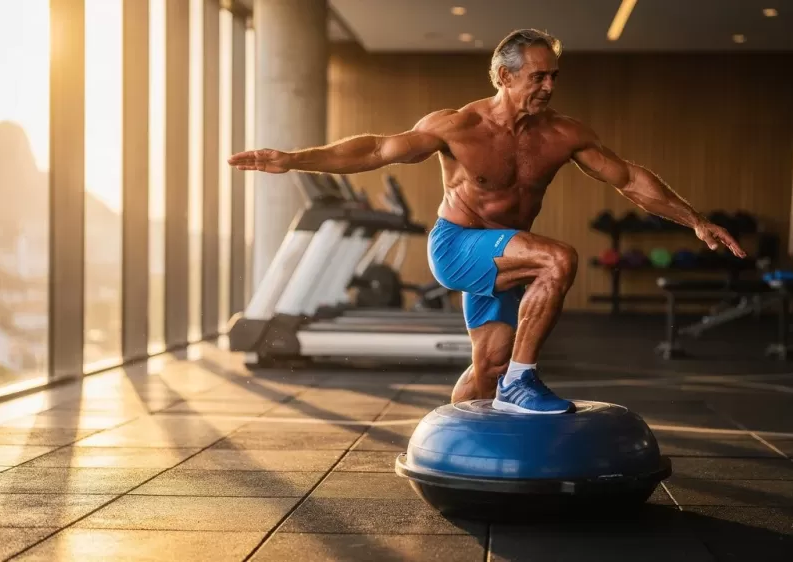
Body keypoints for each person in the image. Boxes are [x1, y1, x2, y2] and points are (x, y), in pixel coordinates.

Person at [228, 28, 746, 415]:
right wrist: (294, 158)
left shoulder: (564, 134)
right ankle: (524, 380)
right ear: (504, 76)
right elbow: (378, 149)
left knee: (487, 368)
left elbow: (629, 179)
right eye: (536, 76)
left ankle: (440, 438)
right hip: (457, 246)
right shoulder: (458, 126)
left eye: (553, 77)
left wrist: (694, 220)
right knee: (557, 259)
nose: (547, 86)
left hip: (505, 258)